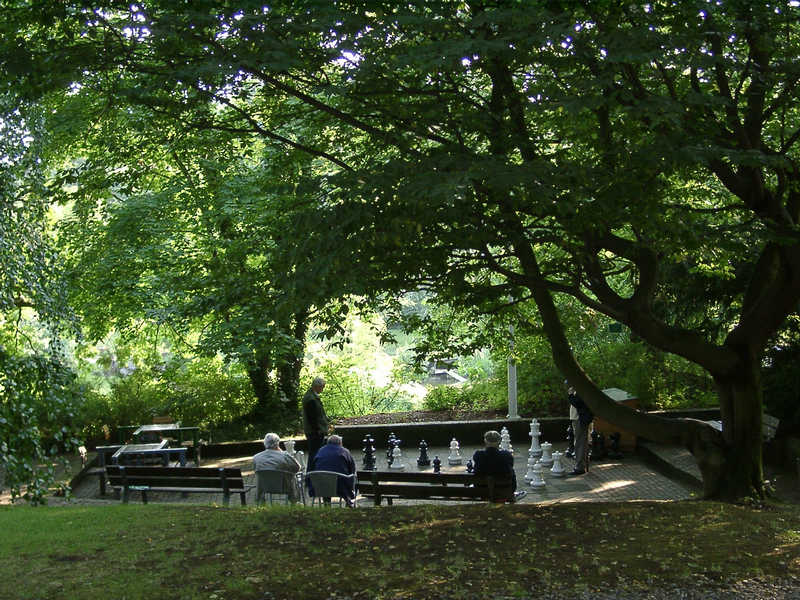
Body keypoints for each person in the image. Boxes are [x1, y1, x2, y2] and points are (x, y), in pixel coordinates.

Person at [472, 430, 526, 502]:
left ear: (485, 441)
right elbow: (510, 471)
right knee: (511, 471)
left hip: (482, 490)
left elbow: (476, 471)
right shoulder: (506, 455)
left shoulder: (478, 454)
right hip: (504, 491)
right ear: (499, 441)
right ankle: (511, 496)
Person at [308, 434, 357, 506]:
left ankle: (327, 504)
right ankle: (348, 500)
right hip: (340, 486)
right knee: (348, 478)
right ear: (340, 443)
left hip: (320, 486)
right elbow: (352, 469)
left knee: (326, 480)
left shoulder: (320, 451)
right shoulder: (345, 451)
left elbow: (313, 467)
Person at [253, 432, 302, 503]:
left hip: (265, 487)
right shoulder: (285, 456)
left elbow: (255, 470)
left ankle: (260, 503)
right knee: (293, 477)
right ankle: (295, 502)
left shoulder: (256, 457)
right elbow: (297, 468)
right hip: (284, 487)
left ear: (264, 443)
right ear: (277, 443)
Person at [302, 376, 330, 466]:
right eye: (322, 387)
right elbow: (312, 417)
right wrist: (318, 430)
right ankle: (312, 474)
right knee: (314, 453)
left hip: (314, 430)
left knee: (315, 452)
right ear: (317, 386)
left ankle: (314, 473)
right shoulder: (311, 399)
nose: (322, 390)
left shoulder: (311, 396)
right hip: (314, 431)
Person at [567, 381, 593, 475]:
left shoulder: (581, 389)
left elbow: (578, 403)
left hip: (579, 419)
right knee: (582, 441)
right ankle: (583, 465)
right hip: (578, 418)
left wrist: (570, 395)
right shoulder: (580, 389)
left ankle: (580, 467)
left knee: (580, 442)